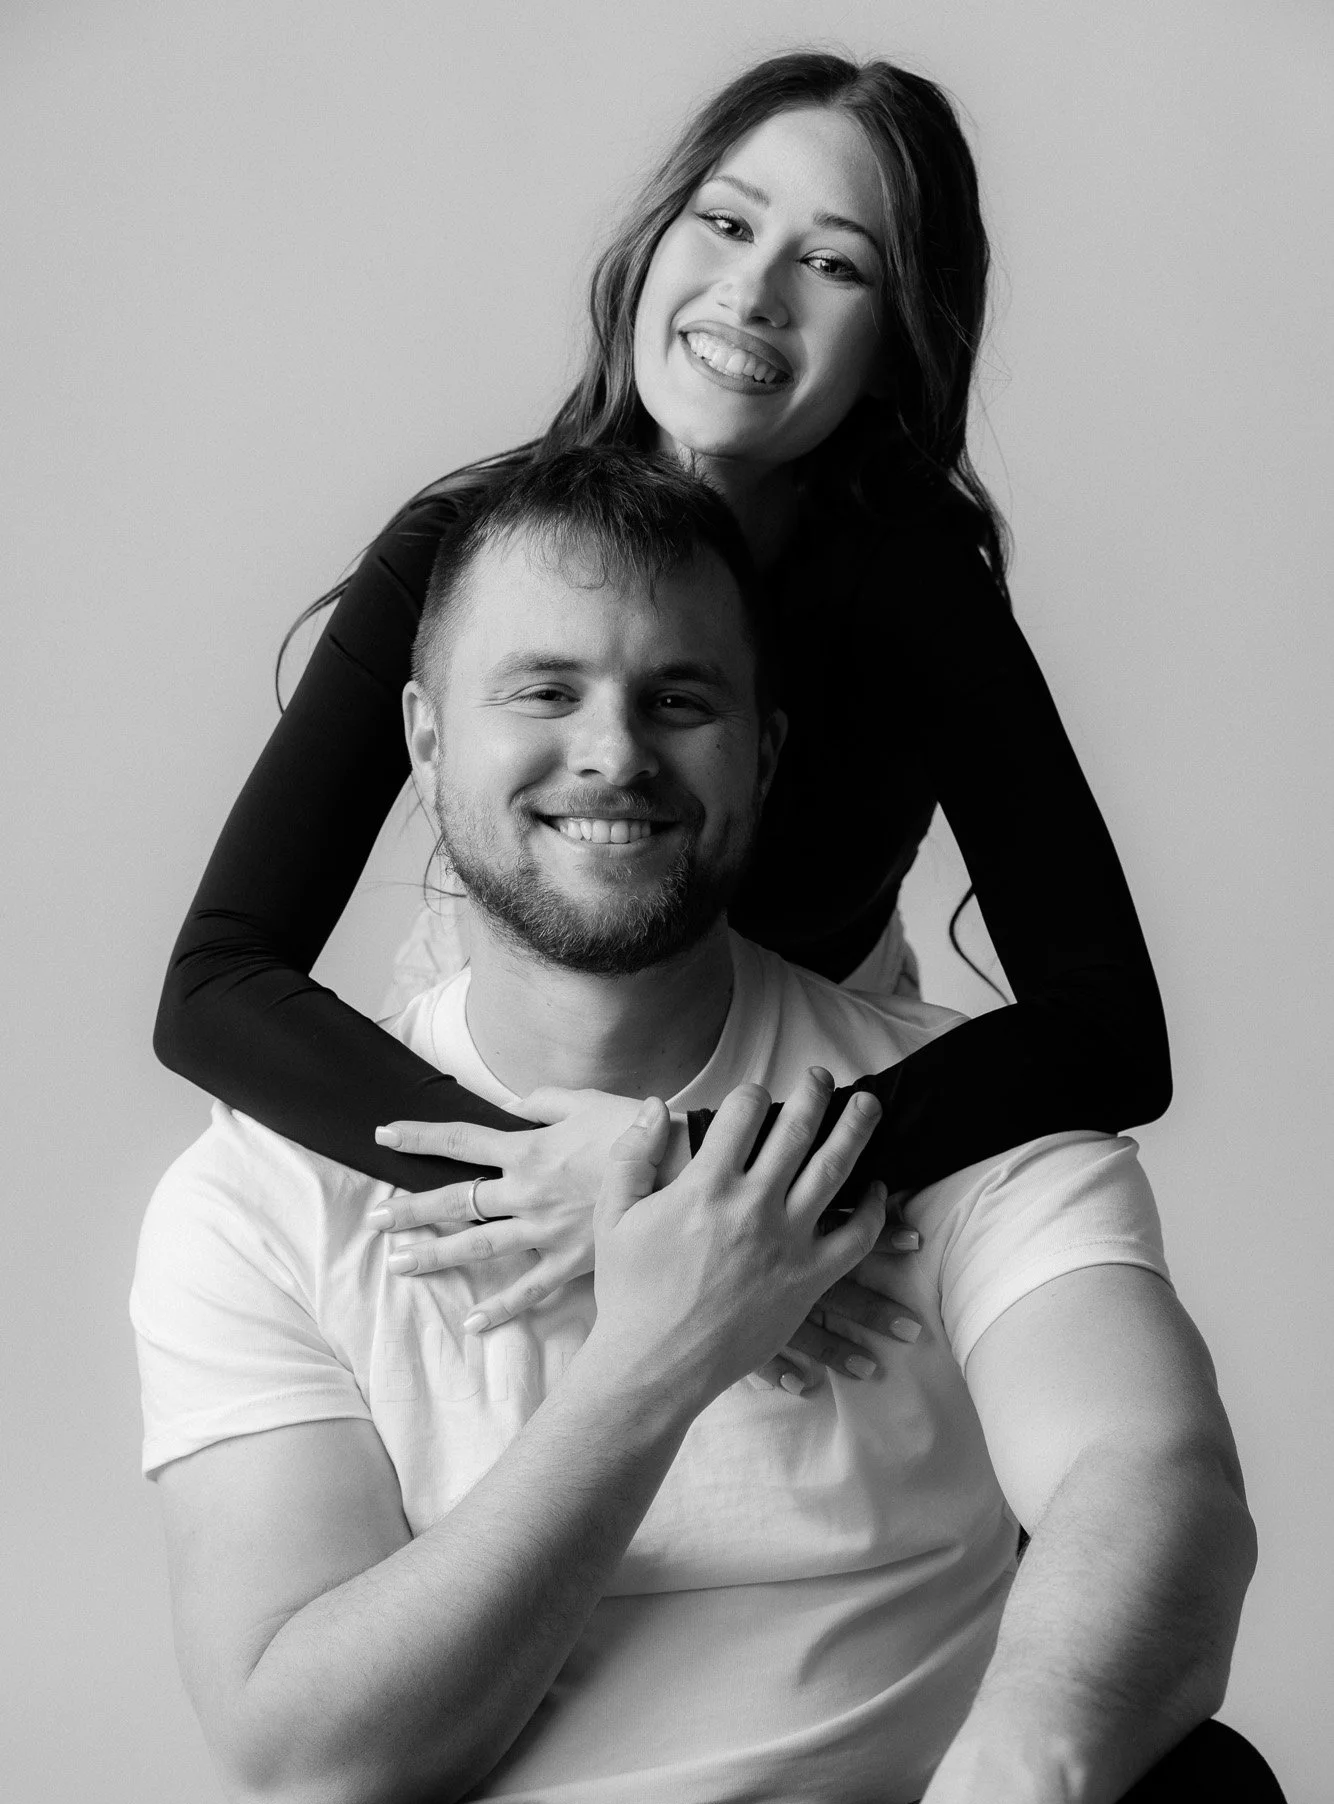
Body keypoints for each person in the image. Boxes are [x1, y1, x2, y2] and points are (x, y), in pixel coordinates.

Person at [132, 451, 1312, 1804]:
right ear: (422, 740)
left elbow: (1147, 1479)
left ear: (761, 752)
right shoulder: (258, 1193)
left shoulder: (961, 1115)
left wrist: (1010, 1794)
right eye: (542, 691)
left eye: (677, 699)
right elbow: (310, 1791)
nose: (611, 753)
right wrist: (662, 1350)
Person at [152, 51, 1173, 1345]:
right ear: (652, 246)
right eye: (728, 224)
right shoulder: (463, 547)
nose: (752, 291)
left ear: (896, 342)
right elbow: (214, 982)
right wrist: (542, 1179)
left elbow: (1109, 1030)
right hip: (511, 1097)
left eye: (834, 262)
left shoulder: (916, 593)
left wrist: (703, 1186)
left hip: (804, 1105)